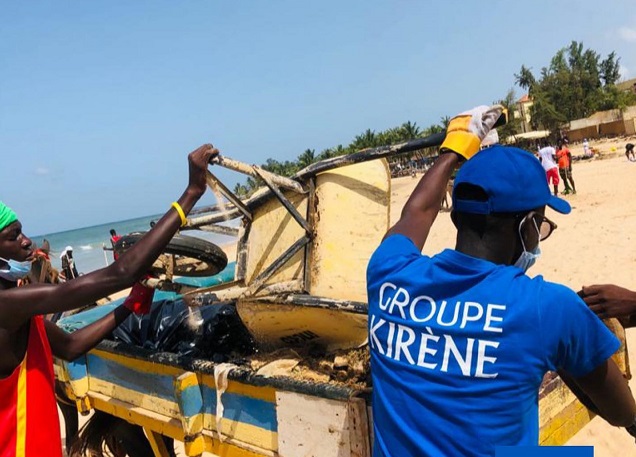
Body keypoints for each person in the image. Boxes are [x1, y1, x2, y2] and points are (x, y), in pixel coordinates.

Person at [366, 106, 636, 457]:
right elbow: (621, 412)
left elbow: (415, 212)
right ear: (526, 228)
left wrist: (455, 148)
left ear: (456, 218)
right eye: (541, 226)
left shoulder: (389, 272)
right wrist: (570, 346)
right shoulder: (546, 306)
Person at [0, 144, 217, 456]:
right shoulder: (8, 306)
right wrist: (192, 193)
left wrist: (129, 306)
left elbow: (71, 347)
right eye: (12, 236)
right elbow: (122, 272)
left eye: (22, 231)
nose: (26, 242)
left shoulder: (21, 316)